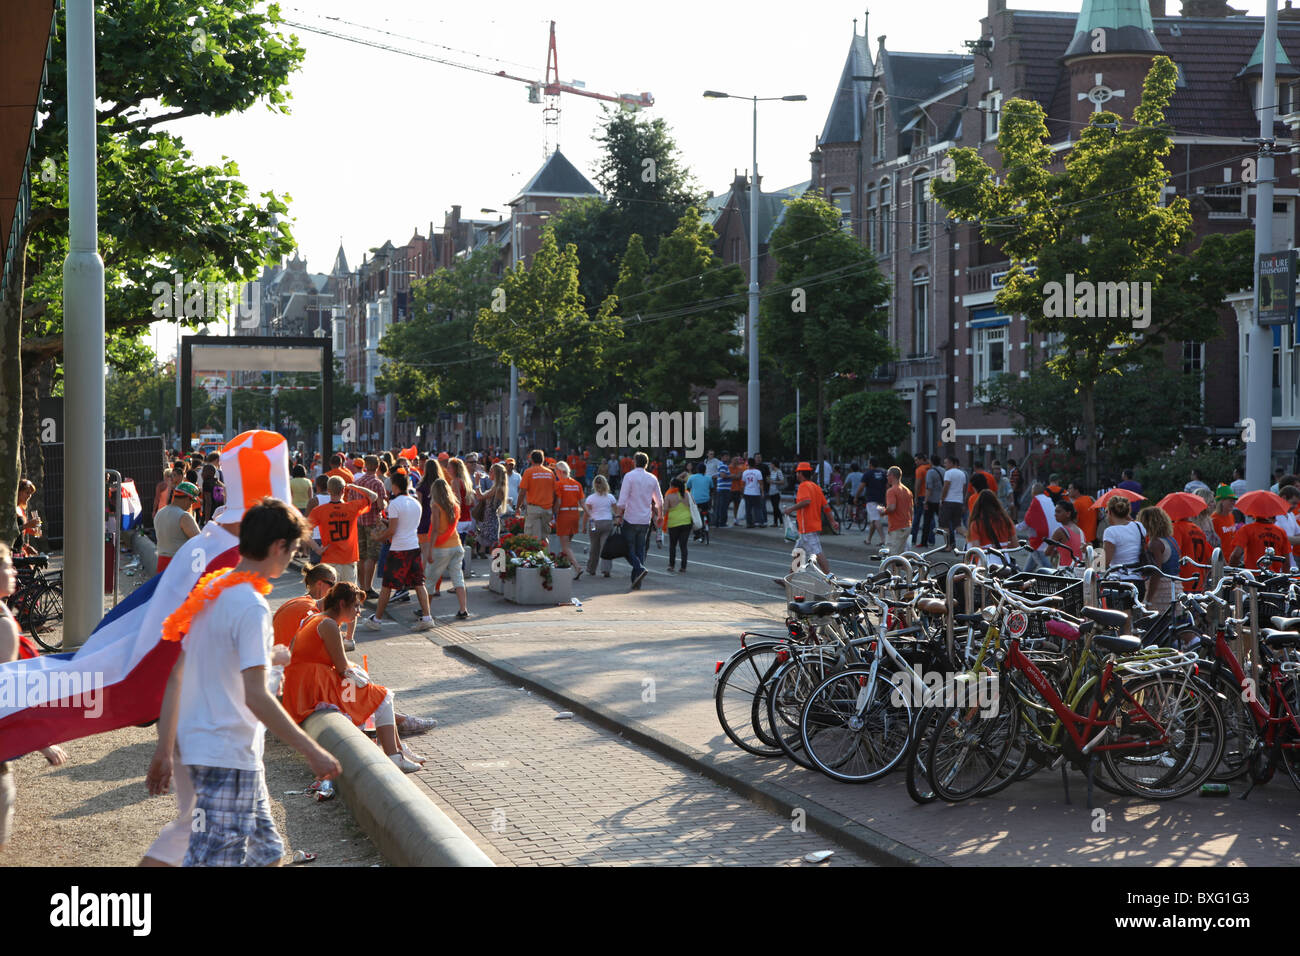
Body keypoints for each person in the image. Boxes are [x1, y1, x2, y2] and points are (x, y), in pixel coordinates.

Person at [166, 499, 341, 866]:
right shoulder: (251, 605)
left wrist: (165, 746)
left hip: (220, 748)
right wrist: (312, 749)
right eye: (292, 550)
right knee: (213, 860)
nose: (291, 559)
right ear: (278, 546)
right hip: (227, 753)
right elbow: (256, 696)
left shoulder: (211, 591)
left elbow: (186, 669)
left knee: (269, 853)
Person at [282, 583, 427, 772]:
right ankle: (394, 755)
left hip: (304, 683)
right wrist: (360, 677)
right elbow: (342, 667)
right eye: (356, 606)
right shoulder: (328, 624)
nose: (358, 612)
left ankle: (398, 750)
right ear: (342, 604)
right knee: (382, 696)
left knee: (374, 693)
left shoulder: (315, 618)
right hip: (315, 685)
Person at [0, 543, 69, 851]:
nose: (14, 570)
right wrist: (42, 742)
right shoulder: (3, 624)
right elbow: (5, 691)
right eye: (6, 565)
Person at [363, 471, 437, 629]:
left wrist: (378, 537)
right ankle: (427, 617)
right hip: (413, 546)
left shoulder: (395, 504)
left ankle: (377, 619)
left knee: (387, 586)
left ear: (395, 486)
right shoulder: (415, 502)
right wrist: (386, 522)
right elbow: (404, 524)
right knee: (419, 583)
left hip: (398, 549)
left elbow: (393, 530)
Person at [307, 476, 378, 591]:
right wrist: (355, 487)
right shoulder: (352, 507)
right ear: (343, 490)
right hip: (348, 559)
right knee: (349, 597)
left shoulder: (319, 511)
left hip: (330, 559)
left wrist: (316, 548)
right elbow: (373, 496)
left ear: (329, 491)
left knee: (330, 597)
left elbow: (304, 531)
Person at [420, 477, 470, 620]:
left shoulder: (436, 506)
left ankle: (426, 612)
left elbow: (435, 529)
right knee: (458, 578)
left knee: (430, 579)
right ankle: (463, 609)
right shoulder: (455, 505)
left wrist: (429, 550)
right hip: (456, 545)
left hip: (441, 547)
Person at [614, 452, 663, 590]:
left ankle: (639, 568)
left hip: (630, 518)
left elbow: (622, 500)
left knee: (628, 548)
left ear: (635, 462)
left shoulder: (629, 477)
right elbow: (659, 500)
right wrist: (660, 515)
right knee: (640, 549)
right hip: (644, 519)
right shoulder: (652, 478)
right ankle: (637, 581)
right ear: (646, 463)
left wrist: (618, 516)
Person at [784, 463, 839, 574]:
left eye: (797, 472)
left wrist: (791, 509)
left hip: (807, 527)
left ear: (800, 473)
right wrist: (832, 521)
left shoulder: (803, 486)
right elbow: (826, 507)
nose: (796, 475)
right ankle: (789, 579)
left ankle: (830, 578)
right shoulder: (816, 487)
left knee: (817, 553)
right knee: (798, 553)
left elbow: (806, 501)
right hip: (812, 526)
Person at [352, 456, 388, 599]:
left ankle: (361, 586)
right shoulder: (377, 483)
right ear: (378, 467)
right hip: (373, 521)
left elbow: (351, 502)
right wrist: (385, 504)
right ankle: (368, 587)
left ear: (365, 466)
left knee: (361, 556)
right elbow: (380, 505)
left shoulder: (357, 482)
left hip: (359, 521)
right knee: (372, 556)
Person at [1102, 496, 1146, 605]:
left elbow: (1104, 562)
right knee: (1135, 619)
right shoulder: (1139, 526)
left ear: (1110, 512)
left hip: (1119, 582)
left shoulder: (1110, 531)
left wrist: (1091, 552)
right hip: (1138, 581)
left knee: (1119, 620)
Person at [1138, 506, 1182, 614]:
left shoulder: (1155, 543)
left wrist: (1148, 600)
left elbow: (1156, 572)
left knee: (1157, 626)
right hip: (1176, 586)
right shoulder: (1172, 540)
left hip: (1161, 591)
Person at [153, 481, 202, 575]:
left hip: (161, 563)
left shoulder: (160, 513)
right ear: (188, 498)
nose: (191, 505)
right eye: (192, 501)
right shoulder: (184, 516)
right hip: (178, 565)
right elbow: (199, 540)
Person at [1018, 482, 1062, 571]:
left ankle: (1055, 579)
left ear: (1033, 492)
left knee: (1046, 567)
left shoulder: (1036, 501)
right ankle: (1024, 577)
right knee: (1030, 565)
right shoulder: (1048, 500)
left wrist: (1014, 528)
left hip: (1041, 540)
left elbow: (1028, 521)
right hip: (1053, 534)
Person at [965, 489, 1017, 565]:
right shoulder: (1006, 520)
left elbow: (976, 551)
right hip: (1004, 562)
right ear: (996, 503)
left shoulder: (976, 523)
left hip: (985, 564)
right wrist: (1003, 546)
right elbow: (1015, 545)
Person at [553, 460, 584, 578]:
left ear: (560, 471)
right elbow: (582, 503)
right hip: (574, 515)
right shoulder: (577, 484)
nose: (555, 474)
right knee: (568, 544)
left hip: (564, 515)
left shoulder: (559, 484)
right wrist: (589, 514)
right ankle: (566, 568)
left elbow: (559, 502)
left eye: (556, 471)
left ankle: (577, 566)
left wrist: (553, 513)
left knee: (565, 546)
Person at [518, 450, 556, 542]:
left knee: (532, 538)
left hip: (534, 509)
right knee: (545, 537)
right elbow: (554, 492)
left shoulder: (528, 472)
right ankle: (546, 555)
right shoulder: (550, 473)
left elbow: (522, 491)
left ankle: (536, 556)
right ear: (542, 460)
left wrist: (518, 507)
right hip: (547, 509)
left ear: (531, 460)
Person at [584, 474, 617, 578]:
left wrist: (584, 526)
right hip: (607, 523)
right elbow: (616, 511)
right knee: (606, 547)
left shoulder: (590, 498)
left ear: (594, 485)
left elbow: (586, 513)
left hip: (594, 523)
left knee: (594, 546)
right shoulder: (610, 497)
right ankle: (606, 570)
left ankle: (591, 569)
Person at [662, 477, 694, 573]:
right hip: (686, 522)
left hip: (674, 523)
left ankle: (671, 565)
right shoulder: (687, 494)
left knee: (673, 545)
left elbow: (665, 509)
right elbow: (693, 505)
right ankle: (683, 567)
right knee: (683, 545)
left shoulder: (669, 495)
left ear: (672, 486)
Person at [476, 463, 509, 556]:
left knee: (493, 548)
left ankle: (497, 568)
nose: (488, 473)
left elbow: (480, 497)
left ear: (496, 474)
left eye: (491, 471)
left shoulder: (497, 488)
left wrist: (477, 482)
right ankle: (495, 568)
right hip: (490, 519)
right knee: (490, 546)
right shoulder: (497, 487)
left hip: (490, 520)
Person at [883, 466, 913, 555]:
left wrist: (883, 511)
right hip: (907, 526)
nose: (887, 477)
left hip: (896, 527)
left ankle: (895, 569)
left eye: (887, 475)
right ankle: (901, 569)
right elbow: (911, 510)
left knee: (892, 555)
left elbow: (892, 507)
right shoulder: (908, 491)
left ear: (892, 476)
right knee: (902, 555)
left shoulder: (891, 491)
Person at [939, 457, 967, 551]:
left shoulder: (948, 473)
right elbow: (964, 489)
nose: (945, 465)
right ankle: (969, 538)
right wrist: (962, 501)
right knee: (957, 525)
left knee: (945, 525)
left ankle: (947, 546)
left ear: (951, 463)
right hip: (958, 501)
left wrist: (942, 499)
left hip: (948, 501)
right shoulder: (962, 474)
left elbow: (946, 487)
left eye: (946, 463)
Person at [1049, 498, 1085, 568]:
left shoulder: (1060, 531)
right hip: (1079, 569)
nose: (1055, 515)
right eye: (1055, 512)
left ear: (1068, 513)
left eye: (1058, 512)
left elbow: (1047, 552)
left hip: (1065, 571)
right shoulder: (1080, 531)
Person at [860, 458, 888, 547]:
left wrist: (856, 497)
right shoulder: (883, 473)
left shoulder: (867, 474)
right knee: (874, 519)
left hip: (871, 500)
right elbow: (887, 486)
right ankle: (868, 539)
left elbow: (861, 486)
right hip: (881, 500)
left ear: (870, 464)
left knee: (875, 519)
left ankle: (883, 540)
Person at [1211, 485, 1240, 563]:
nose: (1233, 503)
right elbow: (1213, 545)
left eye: (1234, 500)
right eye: (1230, 500)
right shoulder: (1214, 519)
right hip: (1221, 562)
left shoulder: (1231, 516)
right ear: (1222, 501)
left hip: (1232, 561)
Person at [686, 462, 712, 541]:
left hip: (695, 501)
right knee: (706, 511)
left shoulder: (692, 477)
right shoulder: (708, 478)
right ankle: (707, 522)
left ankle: (697, 533)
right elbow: (712, 488)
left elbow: (688, 488)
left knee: (694, 515)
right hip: (706, 500)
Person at [909, 455, 929, 546]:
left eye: (917, 460)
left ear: (922, 460)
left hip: (921, 495)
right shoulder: (931, 468)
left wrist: (915, 497)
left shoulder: (919, 470)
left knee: (917, 518)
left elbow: (918, 484)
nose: (915, 462)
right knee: (929, 519)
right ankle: (931, 539)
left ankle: (913, 538)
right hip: (930, 496)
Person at [741, 457, 764, 528]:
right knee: (758, 508)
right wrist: (762, 492)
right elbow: (761, 483)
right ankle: (760, 522)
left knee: (748, 509)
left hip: (747, 492)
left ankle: (749, 523)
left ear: (748, 464)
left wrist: (742, 492)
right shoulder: (758, 472)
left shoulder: (745, 472)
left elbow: (743, 484)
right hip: (756, 492)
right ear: (754, 464)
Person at [712, 454, 732, 528]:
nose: (728, 457)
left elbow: (718, 475)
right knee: (723, 507)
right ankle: (722, 523)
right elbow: (723, 475)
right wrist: (732, 476)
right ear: (722, 457)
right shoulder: (723, 465)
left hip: (721, 489)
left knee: (719, 506)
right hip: (724, 489)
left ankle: (717, 522)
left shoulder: (720, 465)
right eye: (726, 456)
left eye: (728, 456)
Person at [767, 461, 785, 528]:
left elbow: (782, 481)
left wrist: (773, 482)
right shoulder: (771, 472)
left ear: (774, 465)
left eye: (771, 464)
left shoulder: (779, 472)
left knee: (776, 507)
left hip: (776, 491)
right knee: (774, 507)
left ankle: (781, 521)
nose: (770, 466)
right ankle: (775, 522)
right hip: (771, 491)